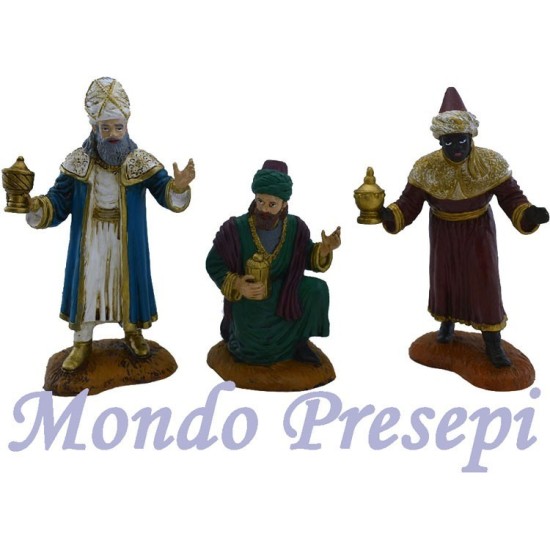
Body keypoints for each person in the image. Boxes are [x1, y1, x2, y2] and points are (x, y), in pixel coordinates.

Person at [26, 77, 196, 371]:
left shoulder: (140, 161)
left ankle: (133, 332)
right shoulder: (78, 162)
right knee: (89, 286)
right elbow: (58, 201)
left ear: (127, 126)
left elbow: (166, 193)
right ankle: (82, 342)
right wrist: (34, 206)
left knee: (125, 285)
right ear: (94, 128)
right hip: (91, 240)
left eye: (119, 127)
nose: (114, 134)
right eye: (106, 128)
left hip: (125, 239)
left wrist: (178, 187)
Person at [381, 87, 548, 367]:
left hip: (478, 232)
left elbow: (511, 197)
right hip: (443, 232)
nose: (456, 147)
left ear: (471, 137)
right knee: (445, 278)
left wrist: (528, 214)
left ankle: (493, 343)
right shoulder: (426, 167)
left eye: (461, 140)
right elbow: (409, 203)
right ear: (440, 141)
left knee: (484, 284)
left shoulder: (490, 163)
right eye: (448, 141)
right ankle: (446, 324)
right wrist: (387, 214)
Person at [206, 160, 341, 366]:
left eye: (272, 204)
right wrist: (239, 285)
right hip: (250, 299)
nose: (264, 209)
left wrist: (323, 250)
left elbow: (305, 257)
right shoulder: (235, 229)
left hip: (285, 295)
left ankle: (299, 342)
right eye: (260, 201)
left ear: (284, 204)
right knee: (253, 353)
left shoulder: (295, 228)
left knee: (317, 289)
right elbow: (213, 263)